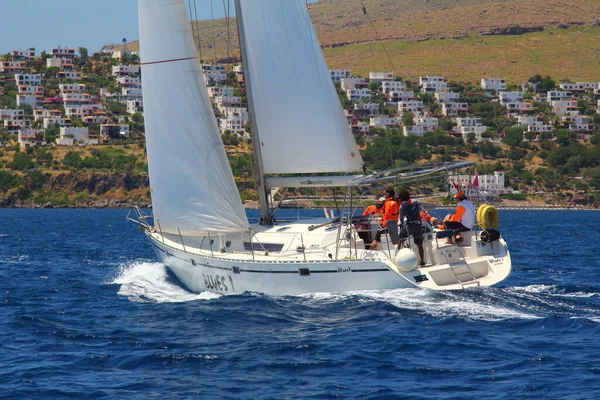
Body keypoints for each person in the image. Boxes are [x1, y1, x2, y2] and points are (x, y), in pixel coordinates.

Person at [397, 189, 426, 266]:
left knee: (400, 239)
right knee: (419, 244)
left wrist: (403, 225)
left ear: (401, 198)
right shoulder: (416, 202)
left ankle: (397, 255)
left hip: (409, 226)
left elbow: (401, 219)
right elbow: (421, 210)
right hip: (418, 225)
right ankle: (422, 261)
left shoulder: (402, 207)